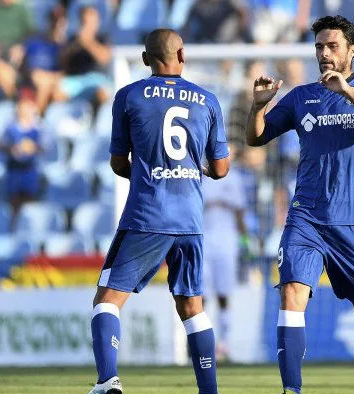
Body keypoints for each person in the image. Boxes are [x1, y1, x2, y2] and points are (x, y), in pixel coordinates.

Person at [244, 15, 354, 394]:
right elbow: (255, 139)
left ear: (352, 50)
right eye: (319, 46)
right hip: (307, 217)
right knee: (291, 293)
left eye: (332, 46)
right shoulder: (302, 97)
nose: (324, 53)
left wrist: (347, 92)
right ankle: (292, 390)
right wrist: (258, 107)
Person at [88, 29, 230, 394]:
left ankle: (108, 382)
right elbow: (221, 168)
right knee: (192, 307)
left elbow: (119, 163)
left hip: (147, 214)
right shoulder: (207, 100)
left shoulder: (129, 96)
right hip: (190, 219)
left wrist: (151, 168)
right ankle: (209, 391)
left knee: (107, 300)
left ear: (144, 58)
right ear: (181, 54)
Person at [201, 143, 248, 361]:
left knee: (223, 293)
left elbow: (240, 212)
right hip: (203, 237)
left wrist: (246, 241)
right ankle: (201, 341)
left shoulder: (235, 178)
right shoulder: (199, 175)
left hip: (227, 239)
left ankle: (224, 343)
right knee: (200, 292)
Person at [0, 88, 42, 216]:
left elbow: (44, 147)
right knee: (14, 201)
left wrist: (32, 147)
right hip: (14, 170)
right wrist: (12, 148)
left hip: (29, 170)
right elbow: (3, 145)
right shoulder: (10, 128)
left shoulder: (38, 128)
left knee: (30, 201)